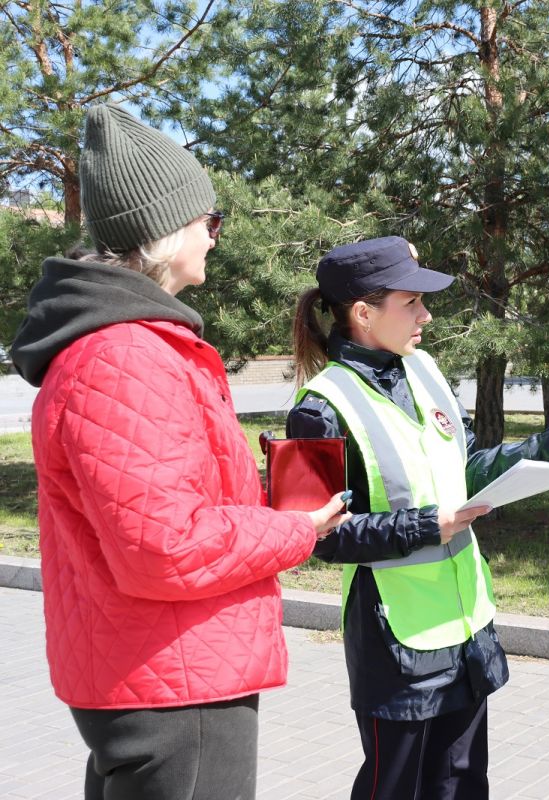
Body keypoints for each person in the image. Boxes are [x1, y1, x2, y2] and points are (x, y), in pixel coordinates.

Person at [9, 103, 349, 799]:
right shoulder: (125, 356)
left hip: (156, 667)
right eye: (208, 222)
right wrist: (293, 528)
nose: (216, 239)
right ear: (163, 233)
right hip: (173, 681)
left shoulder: (127, 344)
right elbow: (163, 545)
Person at [288, 235, 549, 799]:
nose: (427, 316)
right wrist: (429, 525)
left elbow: (466, 468)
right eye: (412, 303)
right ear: (363, 312)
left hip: (465, 630)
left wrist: (542, 449)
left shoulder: (425, 370)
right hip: (395, 642)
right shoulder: (318, 409)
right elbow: (316, 538)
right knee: (398, 788)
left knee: (461, 783)